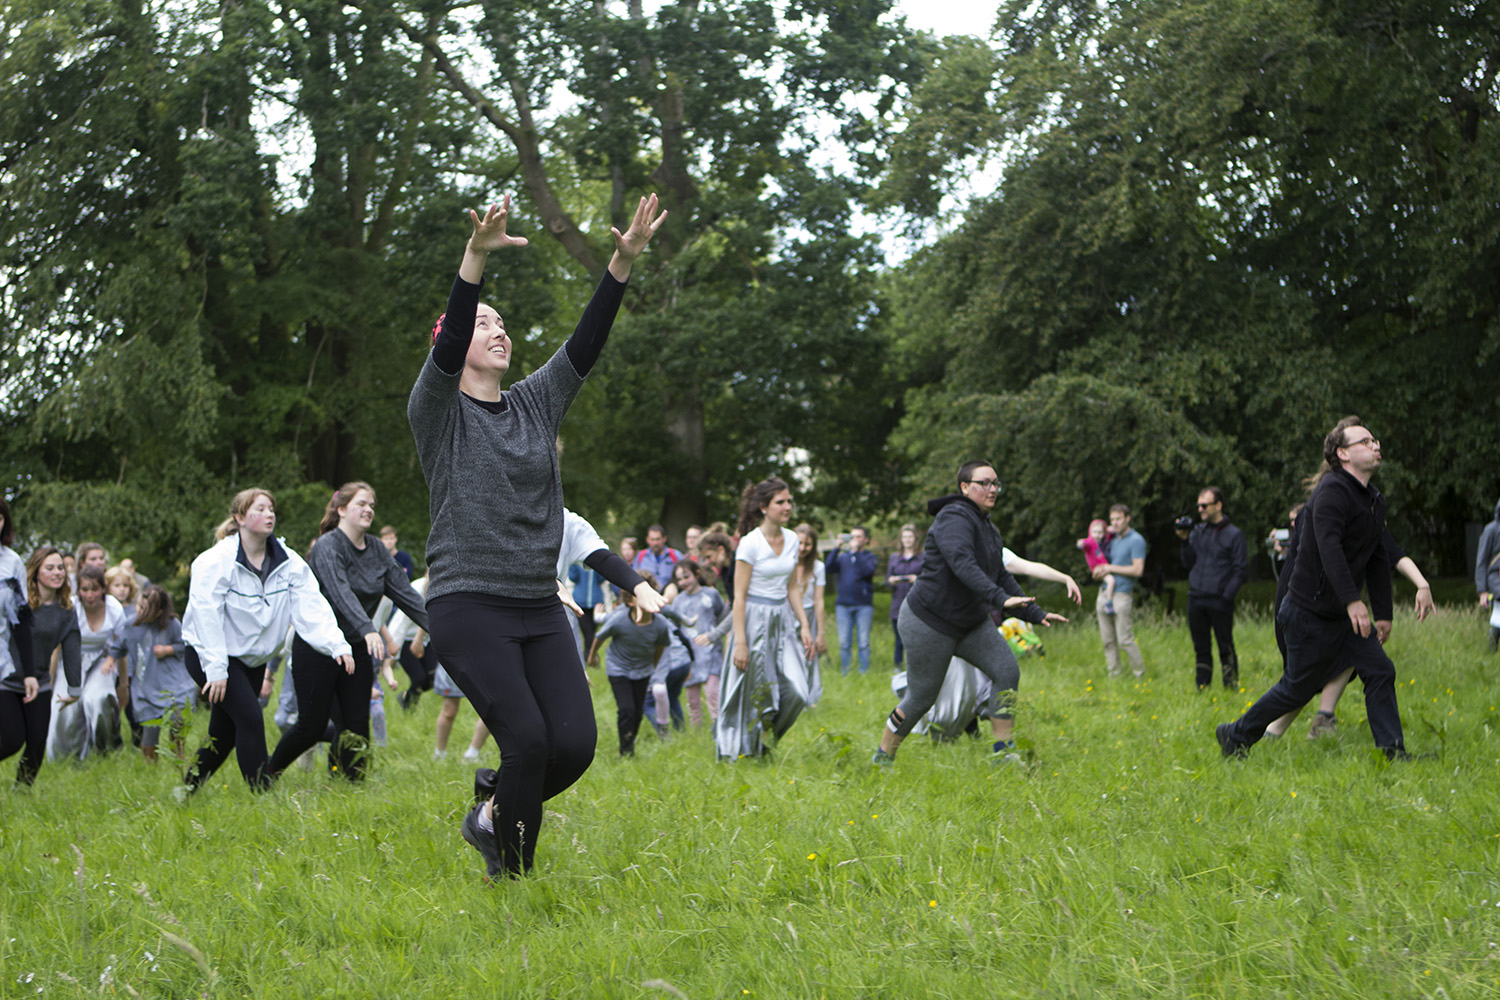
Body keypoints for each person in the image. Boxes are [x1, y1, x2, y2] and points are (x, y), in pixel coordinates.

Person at [407, 192, 666, 879]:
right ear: (455, 344)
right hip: (468, 604)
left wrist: (621, 261)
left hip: (539, 606)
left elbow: (585, 342)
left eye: (502, 322)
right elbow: (457, 321)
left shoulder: (533, 401)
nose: (496, 328)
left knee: (574, 746)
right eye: (482, 323)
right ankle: (513, 881)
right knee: (524, 739)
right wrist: (475, 260)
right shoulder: (437, 413)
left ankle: (490, 812)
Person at [1216, 417, 1413, 760]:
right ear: (1343, 454)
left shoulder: (1373, 501)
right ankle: (1235, 734)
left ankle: (1393, 753)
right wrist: (1353, 601)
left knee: (1380, 670)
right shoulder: (1331, 492)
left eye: (1375, 440)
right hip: (1310, 613)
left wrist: (1383, 613)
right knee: (1297, 689)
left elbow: (1377, 558)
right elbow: (1329, 548)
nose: (1375, 445)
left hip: (1343, 617)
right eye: (1365, 442)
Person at [870, 460, 1067, 766]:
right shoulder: (953, 518)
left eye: (996, 484)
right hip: (929, 623)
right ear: (964, 487)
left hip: (970, 624)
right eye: (984, 483)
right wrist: (999, 600)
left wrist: (1034, 612)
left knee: (1006, 671)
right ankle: (883, 757)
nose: (992, 489)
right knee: (922, 697)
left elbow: (999, 574)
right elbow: (964, 566)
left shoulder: (987, 527)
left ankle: (1003, 754)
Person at [181, 488, 354, 794]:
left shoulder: (288, 561)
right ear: (240, 517)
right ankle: (263, 797)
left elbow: (310, 606)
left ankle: (185, 791)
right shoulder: (215, 562)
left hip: (252, 660)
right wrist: (216, 668)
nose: (269, 514)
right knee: (250, 719)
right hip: (209, 654)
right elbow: (205, 615)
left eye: (271, 509)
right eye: (259, 509)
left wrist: (336, 644)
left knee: (222, 735)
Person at [265, 482, 425, 783]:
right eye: (361, 504)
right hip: (318, 648)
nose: (369, 510)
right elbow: (340, 592)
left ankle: (349, 786)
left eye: (372, 505)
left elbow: (405, 594)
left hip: (356, 648)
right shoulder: (328, 546)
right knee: (311, 727)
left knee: (356, 726)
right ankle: (268, 773)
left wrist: (440, 627)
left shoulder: (377, 549)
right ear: (341, 510)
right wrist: (368, 629)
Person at [1264, 529, 1435, 740]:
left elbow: (1391, 552)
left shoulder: (1364, 509)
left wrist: (1422, 585)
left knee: (1352, 651)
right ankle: (1257, 731)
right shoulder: (1329, 507)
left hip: (1333, 604)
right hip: (1305, 601)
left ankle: (1317, 720)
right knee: (1306, 675)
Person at [714, 478, 815, 760]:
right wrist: (740, 643)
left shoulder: (793, 538)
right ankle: (744, 749)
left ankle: (768, 733)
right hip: (752, 619)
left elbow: (792, 586)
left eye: (789, 501)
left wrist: (804, 625)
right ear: (763, 507)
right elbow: (739, 598)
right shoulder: (750, 544)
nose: (788, 507)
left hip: (781, 620)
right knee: (750, 689)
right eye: (780, 502)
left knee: (798, 690)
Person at [10, 548, 81, 785]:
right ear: (36, 571)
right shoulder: (18, 601)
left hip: (39, 681)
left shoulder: (65, 609)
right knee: (13, 739)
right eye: (50, 568)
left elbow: (71, 648)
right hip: (7, 680)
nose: (57, 572)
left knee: (38, 740)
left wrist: (75, 688)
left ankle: (21, 792)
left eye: (60, 567)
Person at [47, 564, 128, 760]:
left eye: (95, 589)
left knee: (98, 699)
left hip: (102, 662)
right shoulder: (70, 607)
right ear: (79, 590)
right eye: (84, 589)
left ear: (103, 589)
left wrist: (124, 685)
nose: (90, 595)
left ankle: (103, 751)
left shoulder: (115, 609)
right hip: (71, 660)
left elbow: (121, 649)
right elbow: (55, 649)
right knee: (65, 708)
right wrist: (49, 681)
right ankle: (65, 758)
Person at [109, 584, 195, 761]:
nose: (139, 611)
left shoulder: (172, 625)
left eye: (145, 609)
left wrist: (167, 649)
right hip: (146, 685)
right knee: (150, 728)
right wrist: (110, 661)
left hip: (173, 683)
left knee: (178, 721)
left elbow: (184, 646)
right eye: (139, 606)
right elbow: (118, 648)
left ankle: (179, 759)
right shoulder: (131, 625)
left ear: (159, 612)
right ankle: (150, 766)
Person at [1176, 487, 1249, 691]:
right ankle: (1203, 686)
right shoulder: (1197, 532)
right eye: (1198, 505)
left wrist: (1226, 596)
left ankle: (1231, 685)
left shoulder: (1234, 535)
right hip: (1196, 597)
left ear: (1218, 505)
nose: (1200, 509)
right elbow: (1188, 562)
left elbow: (1241, 570)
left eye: (1205, 505)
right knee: (1201, 647)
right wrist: (1184, 540)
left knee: (1225, 645)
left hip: (1219, 599)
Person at [588, 586, 671, 757]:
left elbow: (660, 646)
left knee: (638, 712)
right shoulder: (619, 619)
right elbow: (600, 636)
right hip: (618, 667)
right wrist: (592, 657)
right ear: (630, 601)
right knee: (627, 709)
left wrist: (651, 666)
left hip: (643, 670)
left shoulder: (660, 625)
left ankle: (630, 740)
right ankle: (626, 751)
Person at [1, 501, 42, 786]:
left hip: (1, 661)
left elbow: (21, 621)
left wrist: (28, 672)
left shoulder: (11, 562)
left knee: (13, 737)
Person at [1092, 504, 1147, 678]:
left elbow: (1138, 570)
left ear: (1127, 518)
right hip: (1104, 592)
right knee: (1108, 640)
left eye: (1119, 519)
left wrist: (1110, 568)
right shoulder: (1110, 540)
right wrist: (1099, 572)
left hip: (1122, 595)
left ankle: (1140, 674)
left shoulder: (1136, 540)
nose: (1115, 523)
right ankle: (1113, 674)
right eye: (1113, 519)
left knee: (1124, 639)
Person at [671, 560, 724, 727]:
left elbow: (722, 616)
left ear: (697, 574)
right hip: (690, 655)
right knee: (692, 700)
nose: (683, 582)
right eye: (679, 579)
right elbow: (676, 628)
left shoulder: (711, 594)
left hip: (711, 653)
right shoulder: (678, 601)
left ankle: (719, 730)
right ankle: (696, 734)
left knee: (713, 695)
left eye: (686, 577)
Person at [826, 525, 877, 676]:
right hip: (843, 606)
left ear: (865, 540)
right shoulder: (843, 557)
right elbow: (828, 568)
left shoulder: (869, 557)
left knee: (863, 642)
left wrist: (857, 554)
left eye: (858, 537)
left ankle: (864, 672)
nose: (854, 540)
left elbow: (868, 571)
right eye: (852, 536)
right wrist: (837, 547)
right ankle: (845, 672)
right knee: (844, 643)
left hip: (863, 605)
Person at [793, 524, 828, 705]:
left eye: (807, 544)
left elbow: (819, 600)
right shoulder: (786, 563)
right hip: (788, 614)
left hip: (809, 614)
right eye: (799, 543)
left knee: (809, 655)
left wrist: (820, 633)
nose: (802, 548)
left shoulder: (818, 567)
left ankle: (810, 699)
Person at [886, 524, 923, 669]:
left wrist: (917, 579)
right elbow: (887, 579)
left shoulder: (923, 557)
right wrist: (891, 580)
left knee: (915, 637)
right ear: (901, 539)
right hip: (898, 602)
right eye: (904, 537)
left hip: (916, 602)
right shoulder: (894, 557)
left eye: (910, 537)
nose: (907, 540)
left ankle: (915, 665)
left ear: (915, 539)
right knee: (899, 637)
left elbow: (930, 579)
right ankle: (898, 665)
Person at [1075, 519, 1115, 612]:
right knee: (1111, 581)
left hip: (1106, 567)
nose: (1097, 535)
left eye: (1100, 532)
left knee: (1113, 579)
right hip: (1098, 568)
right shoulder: (1090, 542)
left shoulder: (1105, 540)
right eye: (1095, 532)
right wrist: (1081, 543)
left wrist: (1108, 529)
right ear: (1090, 532)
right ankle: (1108, 602)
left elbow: (1112, 532)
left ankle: (1110, 594)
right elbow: (1084, 543)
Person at [1476, 498, 1500, 652]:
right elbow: (1482, 561)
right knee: (1497, 621)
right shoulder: (1491, 530)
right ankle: (1490, 651)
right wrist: (1483, 590)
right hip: (1496, 581)